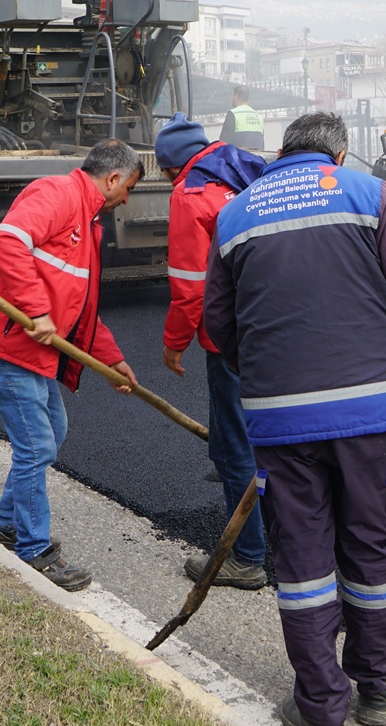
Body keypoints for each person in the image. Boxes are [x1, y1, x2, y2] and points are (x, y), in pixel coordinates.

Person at [203, 112, 386, 726]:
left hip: (280, 420)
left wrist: (267, 374)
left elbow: (220, 328)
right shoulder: (369, 193)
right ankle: (382, 689)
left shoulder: (235, 212)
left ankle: (320, 704)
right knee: (368, 546)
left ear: (282, 152)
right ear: (337, 155)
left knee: (304, 562)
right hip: (367, 412)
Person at [0, 140, 143, 592]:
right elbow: (8, 240)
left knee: (51, 435)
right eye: (130, 188)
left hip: (31, 354)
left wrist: (113, 360)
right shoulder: (57, 194)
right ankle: (34, 549)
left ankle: (4, 525)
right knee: (37, 446)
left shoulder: (90, 225)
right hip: (1, 347)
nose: (128, 199)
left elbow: (82, 309)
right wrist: (37, 311)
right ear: (113, 179)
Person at [154, 114, 269, 589]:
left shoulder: (189, 194)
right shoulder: (249, 169)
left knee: (234, 445)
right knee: (283, 437)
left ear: (169, 165)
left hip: (231, 336)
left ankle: (245, 557)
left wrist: (172, 345)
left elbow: (190, 287)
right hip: (279, 325)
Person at [219, 85, 266, 151]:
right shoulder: (258, 116)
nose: (232, 99)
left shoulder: (233, 114)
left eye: (232, 96)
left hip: (240, 158)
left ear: (236, 96)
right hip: (257, 157)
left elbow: (223, 142)